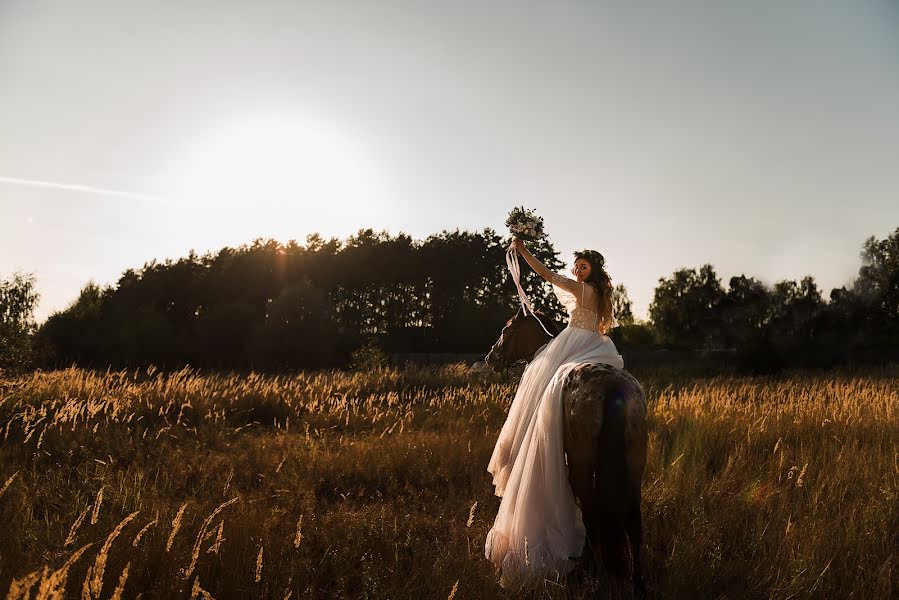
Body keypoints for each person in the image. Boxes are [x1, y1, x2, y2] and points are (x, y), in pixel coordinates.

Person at [484, 237, 625, 589]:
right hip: (594, 344)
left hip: (573, 341)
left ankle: (541, 439)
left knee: (541, 384)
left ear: (593, 269)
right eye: (576, 266)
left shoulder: (580, 289)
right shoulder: (601, 294)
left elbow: (546, 274)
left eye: (583, 266)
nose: (577, 271)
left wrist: (521, 249)